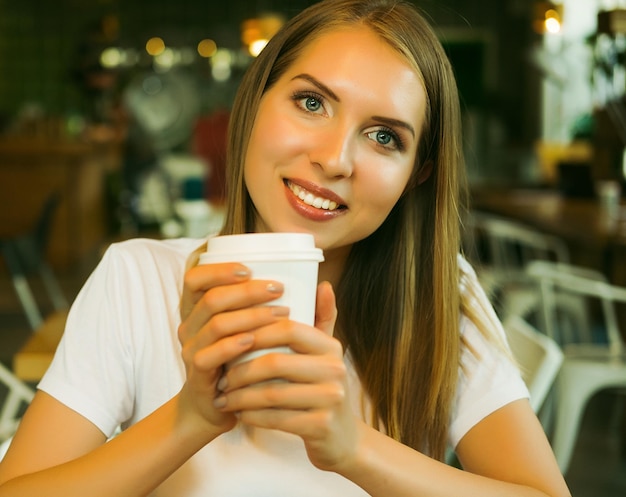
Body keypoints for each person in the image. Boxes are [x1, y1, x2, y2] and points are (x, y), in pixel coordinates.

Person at [0, 1, 572, 495]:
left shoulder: (438, 292)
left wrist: (353, 448)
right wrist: (189, 419)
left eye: (384, 137)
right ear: (255, 102)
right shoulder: (136, 278)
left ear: (417, 174)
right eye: (311, 103)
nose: (334, 159)